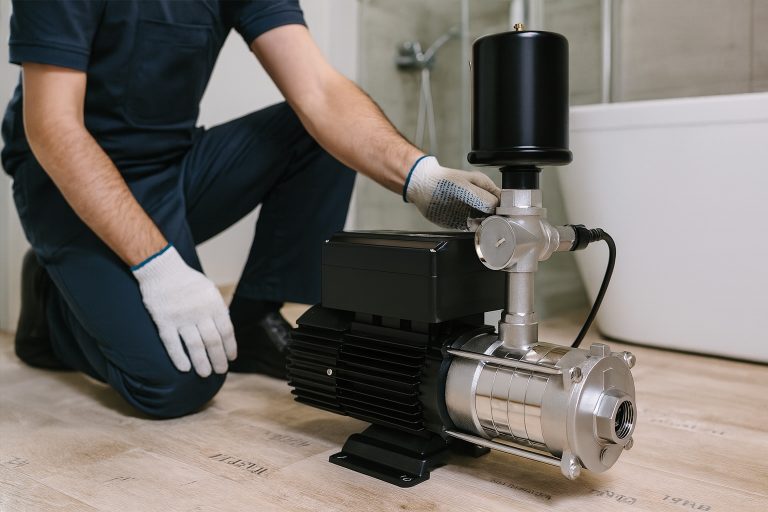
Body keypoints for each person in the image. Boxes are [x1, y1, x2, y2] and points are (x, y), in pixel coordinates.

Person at [1, 0, 501, 418]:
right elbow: (53, 128)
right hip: (67, 181)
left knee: (320, 134)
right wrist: (157, 268)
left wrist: (420, 176)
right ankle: (52, 307)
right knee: (178, 383)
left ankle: (253, 317)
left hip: (171, 170)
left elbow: (320, 92)